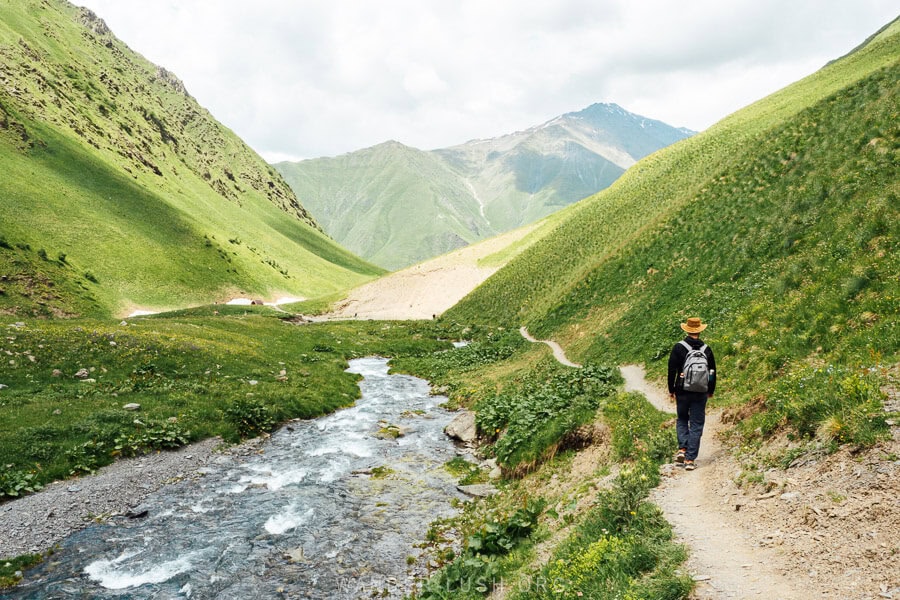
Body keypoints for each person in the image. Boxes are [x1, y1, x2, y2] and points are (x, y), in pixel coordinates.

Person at [668, 317, 716, 471]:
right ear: (700, 330)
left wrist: (671, 389)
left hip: (682, 390)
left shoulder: (678, 348)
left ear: (687, 330)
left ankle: (682, 448)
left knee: (682, 418)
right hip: (701, 391)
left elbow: (671, 370)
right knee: (696, 423)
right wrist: (711, 389)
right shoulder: (706, 349)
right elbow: (712, 372)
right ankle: (690, 459)